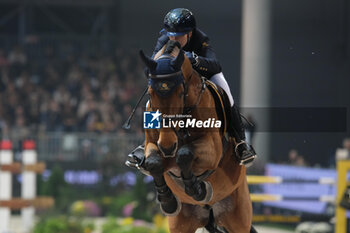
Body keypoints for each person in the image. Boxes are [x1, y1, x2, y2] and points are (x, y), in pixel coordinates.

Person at [126, 8, 256, 168]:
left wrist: (195, 60)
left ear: (189, 33)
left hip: (203, 75)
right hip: (175, 81)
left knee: (227, 95)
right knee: (151, 102)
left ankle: (240, 142)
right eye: (171, 34)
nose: (173, 38)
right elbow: (149, 70)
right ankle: (147, 143)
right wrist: (159, 59)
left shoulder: (201, 39)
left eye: (179, 36)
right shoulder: (164, 38)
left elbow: (215, 65)